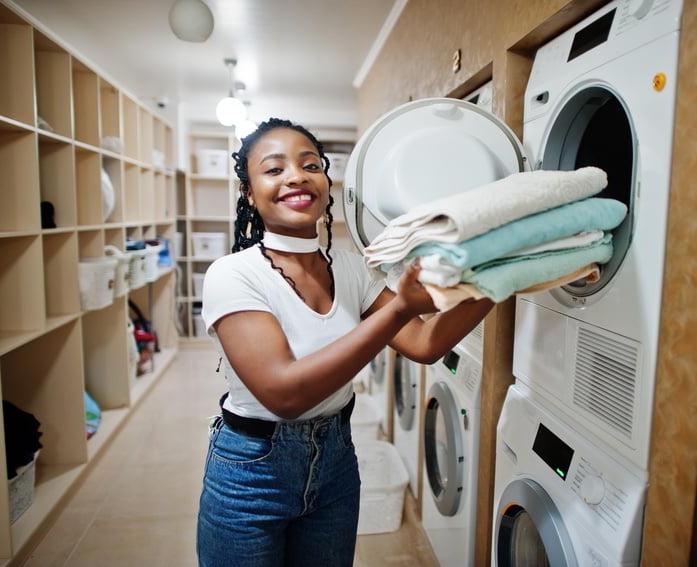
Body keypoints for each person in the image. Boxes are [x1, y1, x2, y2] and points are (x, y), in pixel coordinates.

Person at [196, 117, 493, 567]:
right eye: (274, 170)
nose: (296, 176)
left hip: (335, 462)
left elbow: (426, 343)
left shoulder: (352, 268)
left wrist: (504, 274)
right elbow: (285, 394)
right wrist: (398, 309)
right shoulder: (233, 275)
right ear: (249, 194)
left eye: (310, 165)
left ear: (326, 183)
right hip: (252, 474)